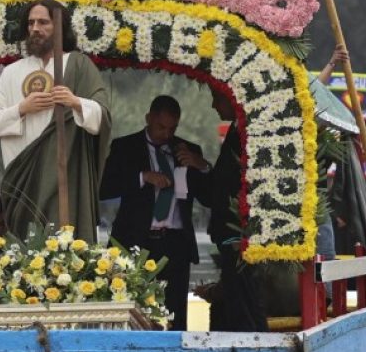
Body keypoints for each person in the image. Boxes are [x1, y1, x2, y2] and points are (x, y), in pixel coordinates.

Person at [0, 0, 111, 244]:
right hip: (23, 178)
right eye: (31, 23)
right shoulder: (12, 72)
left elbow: (102, 116)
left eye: (43, 22)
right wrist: (22, 109)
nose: (35, 28)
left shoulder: (79, 65)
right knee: (26, 251)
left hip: (65, 176)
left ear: (60, 27)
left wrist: (75, 102)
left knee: (63, 244)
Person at [99, 94, 211, 331]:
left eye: (172, 128)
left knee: (175, 314)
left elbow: (209, 197)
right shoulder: (125, 147)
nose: (166, 135)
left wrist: (201, 166)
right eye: (161, 127)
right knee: (135, 311)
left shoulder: (188, 150)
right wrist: (142, 177)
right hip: (137, 241)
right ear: (148, 118)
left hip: (175, 244)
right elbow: (104, 188)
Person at [196, 86, 268, 332]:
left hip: (241, 234)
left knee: (246, 303)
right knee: (234, 300)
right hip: (229, 232)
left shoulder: (249, 131)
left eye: (216, 99)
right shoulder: (236, 130)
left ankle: (256, 350)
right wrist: (204, 168)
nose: (213, 106)